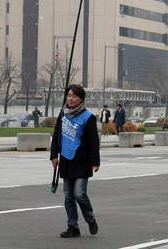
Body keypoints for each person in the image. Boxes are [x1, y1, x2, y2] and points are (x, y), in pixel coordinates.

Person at [50, 84, 100, 238]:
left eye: (73, 96)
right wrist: (54, 156)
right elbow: (56, 136)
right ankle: (73, 227)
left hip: (82, 161)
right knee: (68, 196)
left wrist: (95, 161)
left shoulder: (88, 117)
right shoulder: (63, 114)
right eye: (69, 95)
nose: (70, 98)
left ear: (81, 99)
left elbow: (93, 141)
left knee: (79, 194)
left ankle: (90, 219)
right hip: (66, 159)